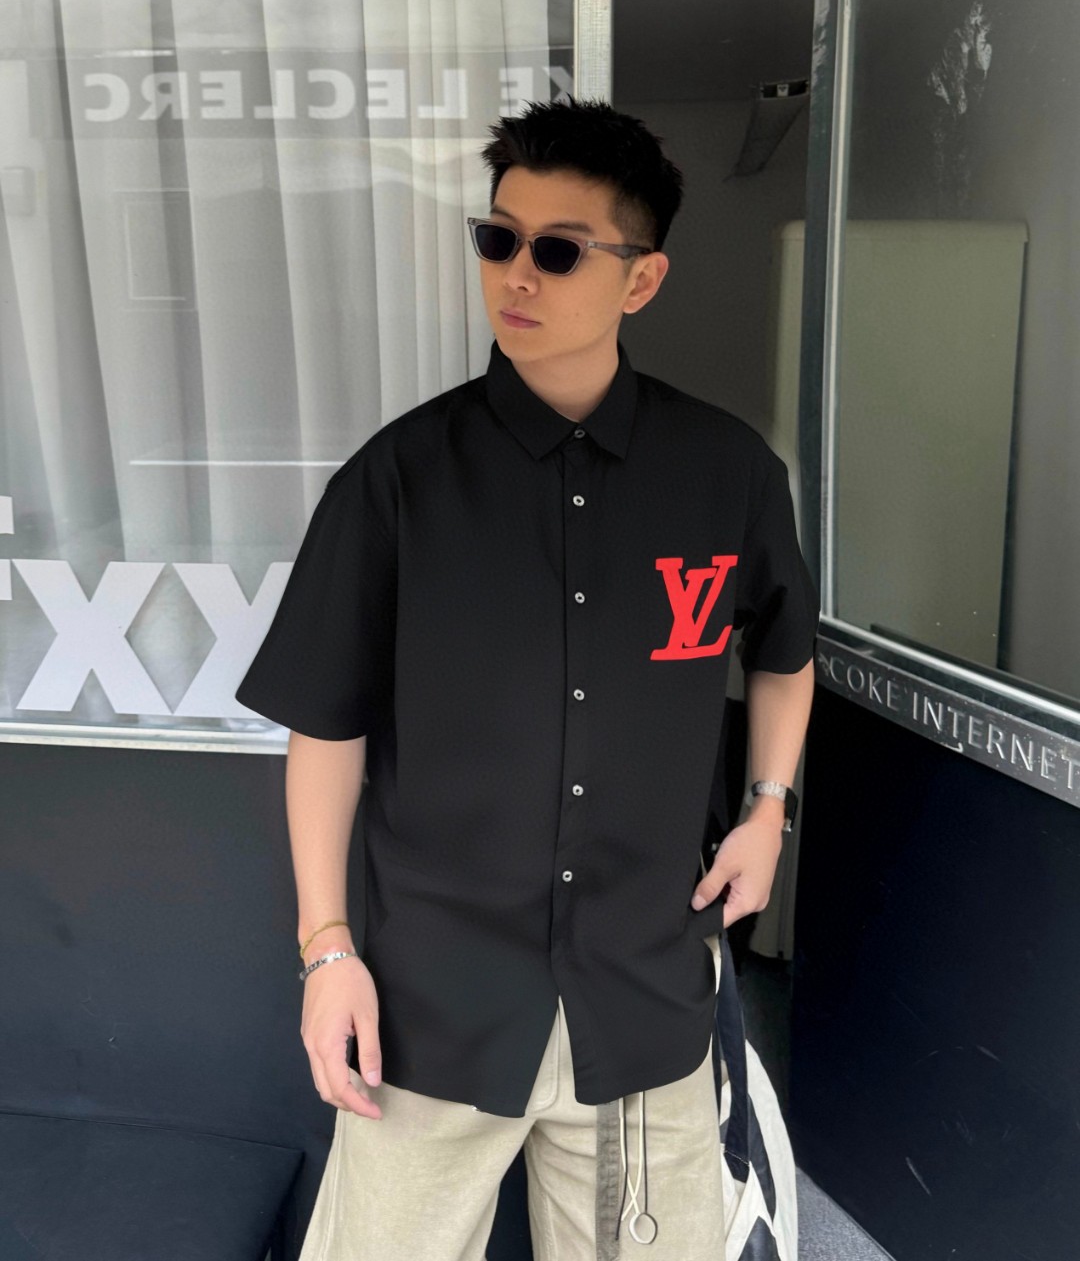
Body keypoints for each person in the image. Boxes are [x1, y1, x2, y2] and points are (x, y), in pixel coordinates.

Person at [235, 97, 818, 1261]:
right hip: (432, 1006)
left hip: (643, 998)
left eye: (558, 250)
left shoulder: (729, 475)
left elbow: (784, 652)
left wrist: (768, 811)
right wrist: (327, 949)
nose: (515, 272)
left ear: (641, 279)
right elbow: (326, 731)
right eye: (497, 237)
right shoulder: (396, 483)